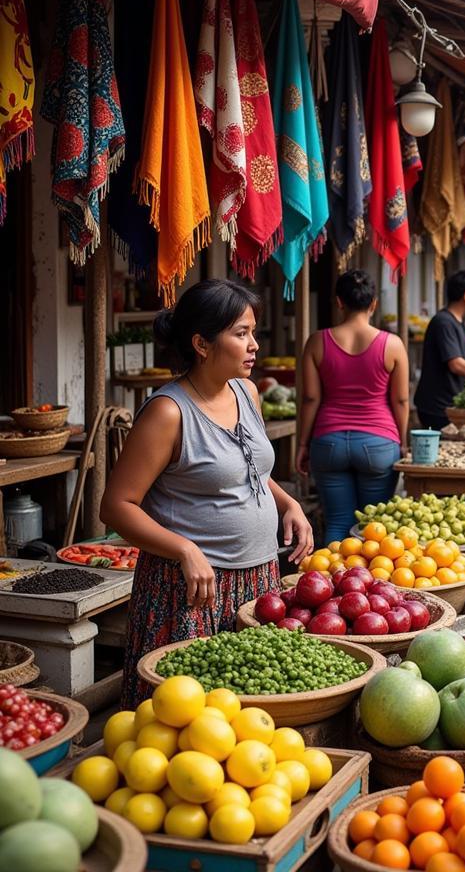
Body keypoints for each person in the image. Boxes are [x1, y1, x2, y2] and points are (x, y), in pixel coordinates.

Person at [101, 280, 314, 706]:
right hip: (192, 590)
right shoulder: (168, 412)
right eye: (240, 333)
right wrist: (184, 549)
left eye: (253, 331)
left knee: (250, 716)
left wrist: (288, 503)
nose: (254, 344)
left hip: (258, 581)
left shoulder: (246, 390)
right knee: (183, 721)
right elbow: (116, 506)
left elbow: (246, 470)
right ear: (201, 343)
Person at [296, 270, 409, 541]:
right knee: (373, 528)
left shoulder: (316, 342)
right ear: (373, 304)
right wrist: (403, 443)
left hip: (328, 441)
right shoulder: (392, 344)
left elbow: (311, 398)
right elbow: (401, 400)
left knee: (337, 522)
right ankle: (369, 583)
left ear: (339, 302)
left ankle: (330, 583)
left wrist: (302, 444)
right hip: (378, 443)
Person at [414, 270, 465, 431]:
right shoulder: (443, 322)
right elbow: (456, 364)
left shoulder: (458, 322)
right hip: (437, 408)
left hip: (450, 406)